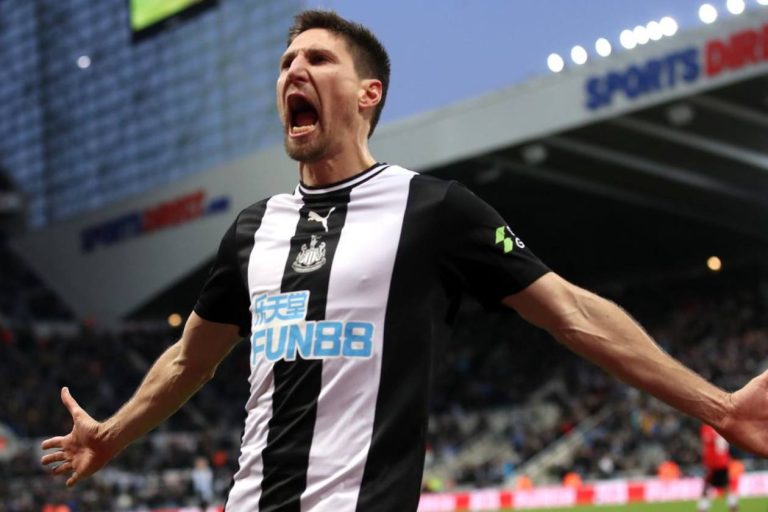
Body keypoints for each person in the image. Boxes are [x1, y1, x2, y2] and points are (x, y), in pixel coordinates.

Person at [41, 9, 768, 512]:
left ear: (368, 94)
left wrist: (719, 406)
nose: (293, 69)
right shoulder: (253, 230)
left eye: (317, 59)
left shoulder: (434, 211)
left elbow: (573, 315)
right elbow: (186, 362)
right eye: (286, 61)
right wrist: (113, 433)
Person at [699, 423, 738, 512]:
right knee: (725, 485)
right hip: (722, 461)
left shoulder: (707, 427)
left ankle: (703, 509)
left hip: (714, 462)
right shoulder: (722, 426)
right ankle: (733, 507)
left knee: (707, 487)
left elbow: (706, 439)